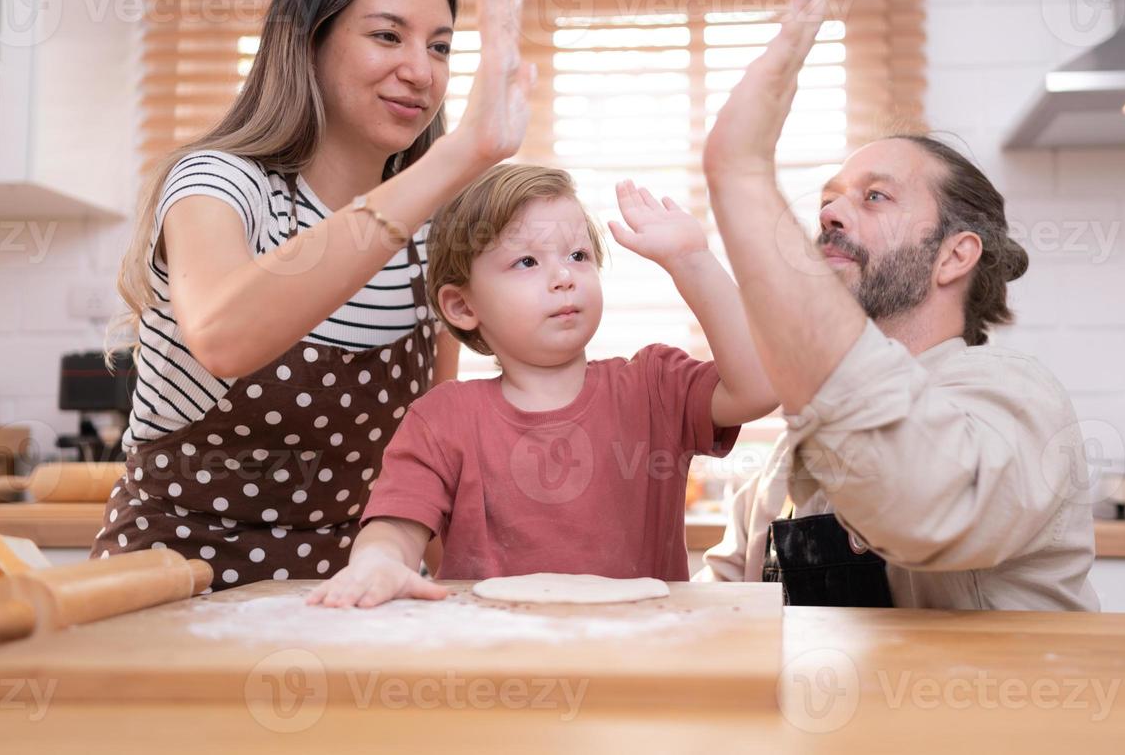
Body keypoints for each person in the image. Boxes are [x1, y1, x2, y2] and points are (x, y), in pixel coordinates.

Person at [93, 0, 535, 590]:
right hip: (168, 590)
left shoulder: (434, 234)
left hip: (354, 598)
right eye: (387, 35)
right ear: (309, 40)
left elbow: (440, 459)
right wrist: (457, 156)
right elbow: (224, 335)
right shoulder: (220, 184)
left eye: (440, 47)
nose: (420, 71)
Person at [696, 0, 1099, 611]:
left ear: (953, 257)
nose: (827, 214)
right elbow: (722, 613)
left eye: (875, 197)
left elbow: (920, 501)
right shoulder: (783, 467)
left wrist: (740, 171)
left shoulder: (1013, 398)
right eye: (827, 200)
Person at [305, 164, 779, 607]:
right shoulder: (442, 419)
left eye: (578, 256)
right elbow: (397, 525)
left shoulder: (654, 385)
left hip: (639, 667)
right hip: (497, 674)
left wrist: (691, 262)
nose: (563, 277)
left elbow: (760, 385)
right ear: (463, 306)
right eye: (527, 261)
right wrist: (379, 563)